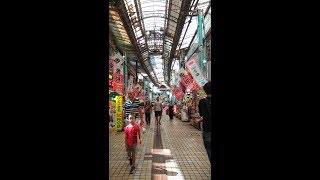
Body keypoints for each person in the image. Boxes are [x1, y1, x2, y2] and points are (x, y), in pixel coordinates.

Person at [198, 81, 215, 170]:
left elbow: (201, 113)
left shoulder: (202, 101)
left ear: (205, 91)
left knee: (209, 149)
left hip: (207, 128)